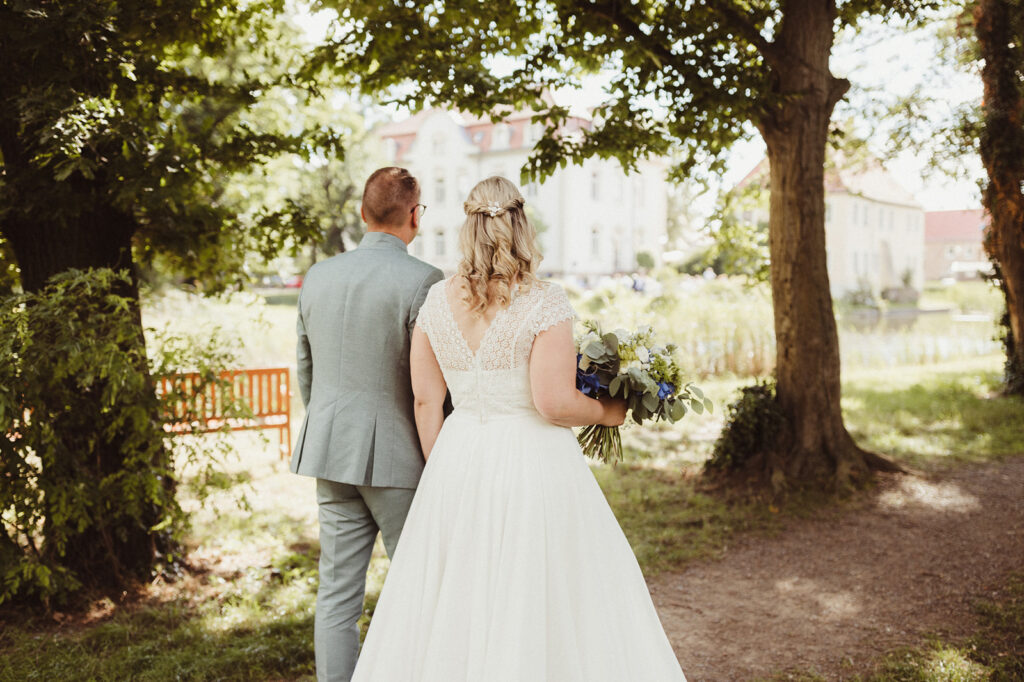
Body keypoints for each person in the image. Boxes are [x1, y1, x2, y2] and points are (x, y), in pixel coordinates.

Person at [350, 176, 687, 681]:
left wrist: (444, 469)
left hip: (457, 453)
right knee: (543, 587)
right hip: (532, 460)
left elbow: (426, 400)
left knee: (457, 593)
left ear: (468, 228)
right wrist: (608, 412)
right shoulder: (543, 301)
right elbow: (553, 403)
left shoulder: (436, 302)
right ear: (521, 225)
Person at [290, 167, 444, 682]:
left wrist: (331, 428)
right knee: (421, 587)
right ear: (415, 215)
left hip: (330, 451)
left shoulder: (318, 276)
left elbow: (306, 370)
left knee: (336, 594)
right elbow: (430, 386)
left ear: (362, 212)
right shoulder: (424, 280)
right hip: (401, 459)